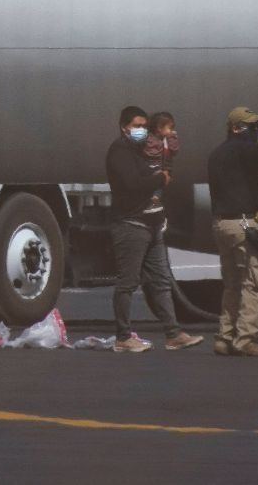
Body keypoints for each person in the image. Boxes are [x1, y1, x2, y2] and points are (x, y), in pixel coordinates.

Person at [105, 106, 200, 353]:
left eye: (144, 126)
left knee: (161, 281)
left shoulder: (143, 150)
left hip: (153, 224)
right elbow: (132, 183)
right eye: (136, 126)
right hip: (132, 224)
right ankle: (123, 336)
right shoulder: (120, 150)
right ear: (124, 127)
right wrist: (159, 179)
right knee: (128, 282)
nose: (142, 130)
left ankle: (173, 333)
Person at [208, 105, 258, 356]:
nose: (256, 131)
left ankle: (225, 336)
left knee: (232, 284)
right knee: (256, 283)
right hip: (243, 222)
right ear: (236, 128)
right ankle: (245, 339)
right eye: (252, 126)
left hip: (222, 223)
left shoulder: (216, 154)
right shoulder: (242, 150)